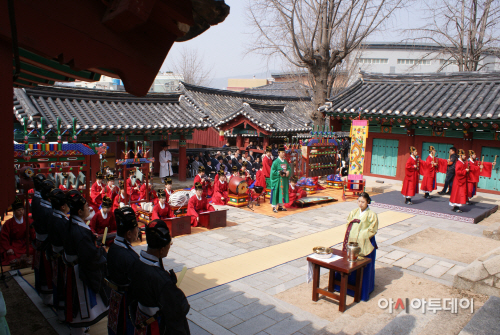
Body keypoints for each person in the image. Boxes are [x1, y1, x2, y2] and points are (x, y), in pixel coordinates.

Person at [129, 220, 190, 334]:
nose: (169, 248)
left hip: (141, 321)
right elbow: (181, 307)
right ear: (162, 249)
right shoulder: (160, 278)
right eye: (169, 245)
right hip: (156, 327)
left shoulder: (136, 263)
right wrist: (171, 287)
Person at [64, 191, 109, 334]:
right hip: (80, 270)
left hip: (73, 266)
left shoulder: (72, 224)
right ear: (79, 211)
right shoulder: (81, 232)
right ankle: (78, 329)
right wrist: (101, 252)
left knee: (75, 301)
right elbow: (90, 256)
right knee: (80, 302)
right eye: (86, 206)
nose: (89, 208)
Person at [337, 192, 378, 301]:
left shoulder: (372, 214)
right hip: (351, 241)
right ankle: (347, 287)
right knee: (350, 264)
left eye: (363, 202)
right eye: (359, 201)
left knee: (363, 266)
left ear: (368, 202)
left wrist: (362, 235)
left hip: (365, 242)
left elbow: (373, 229)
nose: (360, 204)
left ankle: (363, 291)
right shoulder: (353, 212)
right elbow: (348, 223)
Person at [106, 207, 140, 335]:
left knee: (116, 327)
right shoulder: (130, 257)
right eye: (136, 229)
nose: (138, 231)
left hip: (115, 296)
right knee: (126, 328)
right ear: (129, 234)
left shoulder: (113, 248)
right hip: (127, 301)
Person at [48, 189, 70, 320]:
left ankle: (60, 312)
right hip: (63, 258)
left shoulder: (52, 216)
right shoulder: (62, 222)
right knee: (64, 286)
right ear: (63, 206)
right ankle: (64, 314)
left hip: (55, 254)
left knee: (58, 283)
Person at [33, 180, 55, 305]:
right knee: (47, 271)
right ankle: (48, 297)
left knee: (42, 269)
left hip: (40, 240)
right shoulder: (48, 211)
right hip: (47, 243)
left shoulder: (38, 203)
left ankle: (44, 293)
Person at [0, 198, 34, 266]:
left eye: (22, 209)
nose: (21, 212)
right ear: (14, 211)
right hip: (15, 245)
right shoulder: (8, 223)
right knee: (10, 256)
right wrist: (8, 248)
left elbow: (33, 234)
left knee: (32, 251)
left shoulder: (28, 221)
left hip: (26, 244)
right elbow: (4, 237)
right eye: (18, 210)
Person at [270, 145, 291, 213]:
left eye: (284, 152)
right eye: (281, 152)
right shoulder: (275, 162)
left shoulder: (285, 161)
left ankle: (281, 206)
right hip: (278, 181)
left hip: (284, 180)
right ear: (278, 153)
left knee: (283, 193)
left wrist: (288, 172)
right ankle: (274, 207)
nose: (283, 154)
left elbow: (288, 168)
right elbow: (272, 172)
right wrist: (279, 173)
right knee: (276, 193)